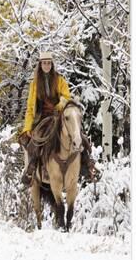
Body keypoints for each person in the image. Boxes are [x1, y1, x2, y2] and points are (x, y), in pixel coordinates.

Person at [19, 51, 94, 186]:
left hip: (59, 115)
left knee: (79, 135)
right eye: (44, 63)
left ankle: (88, 166)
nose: (46, 66)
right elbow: (30, 107)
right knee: (34, 141)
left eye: (49, 63)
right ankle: (31, 170)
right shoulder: (34, 84)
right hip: (42, 118)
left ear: (52, 65)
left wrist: (58, 106)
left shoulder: (60, 80)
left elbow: (66, 97)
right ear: (40, 65)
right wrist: (28, 127)